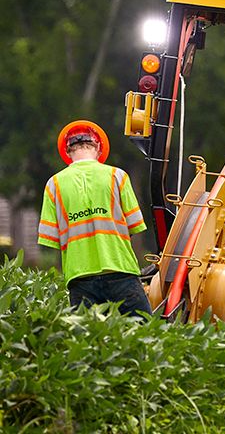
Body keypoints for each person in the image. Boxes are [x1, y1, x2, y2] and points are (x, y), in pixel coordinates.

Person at [38, 120, 152, 316]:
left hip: (80, 278)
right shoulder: (118, 176)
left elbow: (51, 239)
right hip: (120, 271)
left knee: (89, 342)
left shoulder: (54, 184)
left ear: (67, 151)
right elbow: (134, 225)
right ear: (99, 147)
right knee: (143, 334)